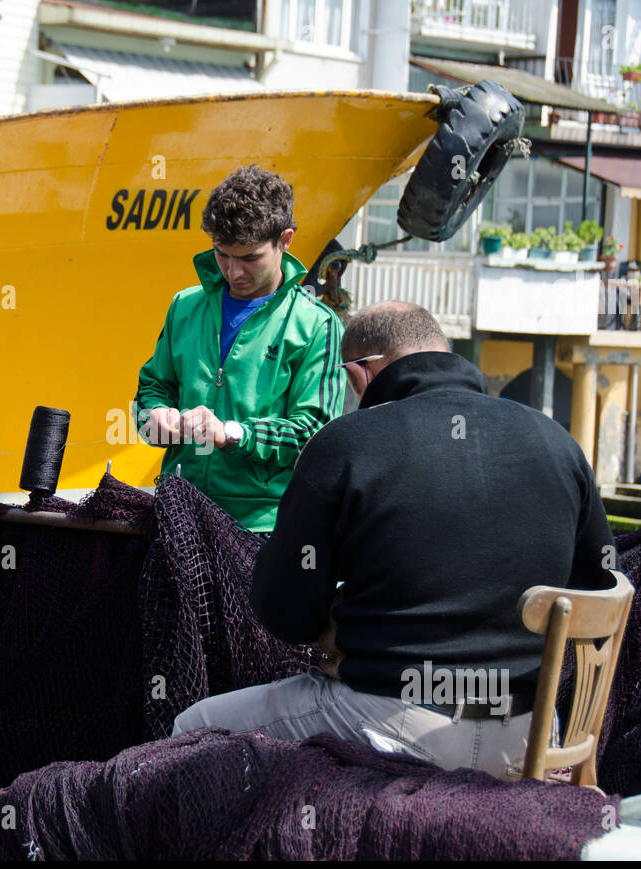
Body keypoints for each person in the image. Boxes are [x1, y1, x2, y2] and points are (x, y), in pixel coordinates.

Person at [172, 302, 614, 779]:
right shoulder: (557, 442)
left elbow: (285, 613)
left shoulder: (345, 443)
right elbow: (596, 587)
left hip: (392, 726)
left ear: (364, 370)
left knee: (195, 726)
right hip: (534, 737)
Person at [133, 165, 344, 533]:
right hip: (178, 515)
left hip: (261, 529)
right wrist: (154, 416)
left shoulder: (317, 326)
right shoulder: (184, 306)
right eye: (222, 254)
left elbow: (314, 435)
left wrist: (232, 434)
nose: (233, 272)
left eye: (249, 258)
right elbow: (153, 387)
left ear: (286, 239)